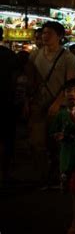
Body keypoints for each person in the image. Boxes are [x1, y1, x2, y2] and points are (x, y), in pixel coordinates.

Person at [28, 21, 75, 187]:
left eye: (49, 33)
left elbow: (70, 83)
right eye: (44, 33)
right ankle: (44, 174)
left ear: (60, 36)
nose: (45, 36)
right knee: (37, 142)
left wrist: (58, 103)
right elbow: (30, 80)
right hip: (38, 104)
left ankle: (58, 174)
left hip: (58, 106)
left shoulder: (68, 57)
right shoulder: (35, 54)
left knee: (56, 143)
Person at [49, 79, 75, 234]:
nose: (71, 94)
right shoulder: (61, 114)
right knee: (72, 188)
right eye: (68, 91)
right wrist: (58, 136)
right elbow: (54, 132)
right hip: (66, 156)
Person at [0, 27, 18, 186]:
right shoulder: (10, 55)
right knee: (7, 139)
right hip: (7, 102)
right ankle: (5, 172)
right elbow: (16, 80)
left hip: (7, 101)